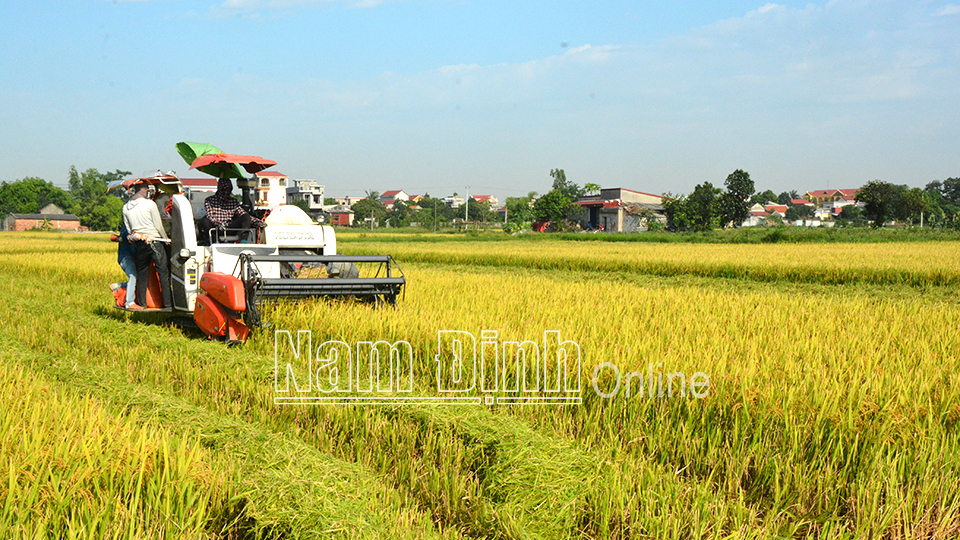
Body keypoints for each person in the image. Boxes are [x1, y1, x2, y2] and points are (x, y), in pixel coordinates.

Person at [122, 182, 172, 309]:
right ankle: (167, 304)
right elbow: (158, 225)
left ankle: (142, 304)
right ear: (142, 189)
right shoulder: (150, 204)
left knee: (142, 274)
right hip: (154, 241)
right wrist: (165, 238)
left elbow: (129, 229)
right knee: (163, 273)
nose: (148, 191)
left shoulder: (126, 207)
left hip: (139, 243)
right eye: (147, 188)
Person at [199, 177, 266, 242]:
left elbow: (243, 214)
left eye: (228, 190)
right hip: (216, 229)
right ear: (219, 189)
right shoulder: (209, 200)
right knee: (205, 221)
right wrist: (220, 225)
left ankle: (243, 241)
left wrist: (260, 223)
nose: (226, 193)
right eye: (224, 190)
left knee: (246, 216)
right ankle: (215, 242)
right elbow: (210, 216)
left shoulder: (233, 201)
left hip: (229, 228)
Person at [109, 222, 138, 308]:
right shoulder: (129, 229)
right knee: (133, 276)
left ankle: (119, 286)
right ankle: (129, 302)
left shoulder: (129, 226)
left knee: (141, 280)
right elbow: (115, 238)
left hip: (133, 258)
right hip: (126, 258)